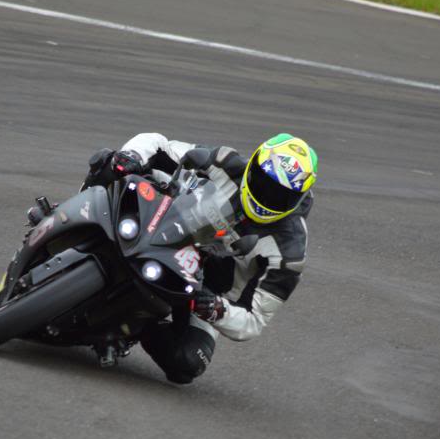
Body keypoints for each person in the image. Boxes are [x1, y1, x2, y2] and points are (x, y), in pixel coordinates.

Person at [83, 132, 318, 384]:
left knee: (187, 362)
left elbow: (254, 320)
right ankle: (70, 218)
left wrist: (217, 309)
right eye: (263, 183)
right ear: (253, 166)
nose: (267, 196)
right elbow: (158, 144)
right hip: (163, 225)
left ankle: (134, 326)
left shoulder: (289, 252)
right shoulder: (224, 162)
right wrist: (133, 156)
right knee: (110, 162)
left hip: (203, 288)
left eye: (280, 194)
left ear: (298, 197)